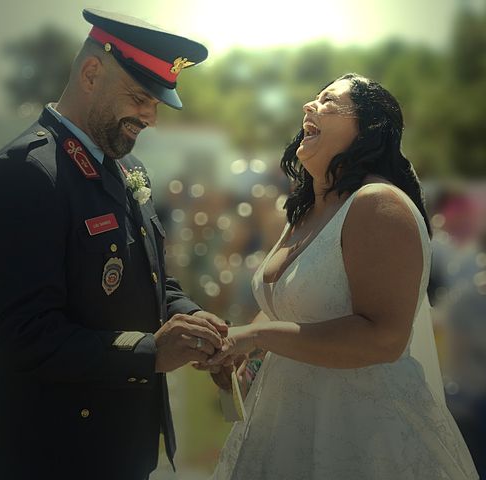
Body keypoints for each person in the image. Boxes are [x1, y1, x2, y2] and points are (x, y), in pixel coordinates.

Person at [0, 9, 227, 480]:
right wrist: (151, 352)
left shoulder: (128, 170)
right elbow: (18, 335)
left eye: (156, 104)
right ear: (90, 73)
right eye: (140, 97)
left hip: (118, 450)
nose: (149, 116)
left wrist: (191, 320)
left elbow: (147, 280)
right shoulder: (25, 174)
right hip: (47, 455)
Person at [202, 73, 479, 479]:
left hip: (363, 439)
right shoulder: (305, 210)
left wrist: (259, 336)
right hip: (283, 429)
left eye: (328, 101)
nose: (308, 107)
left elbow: (384, 338)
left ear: (368, 129)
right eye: (313, 99)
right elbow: (293, 310)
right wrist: (241, 357)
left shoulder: (379, 204)